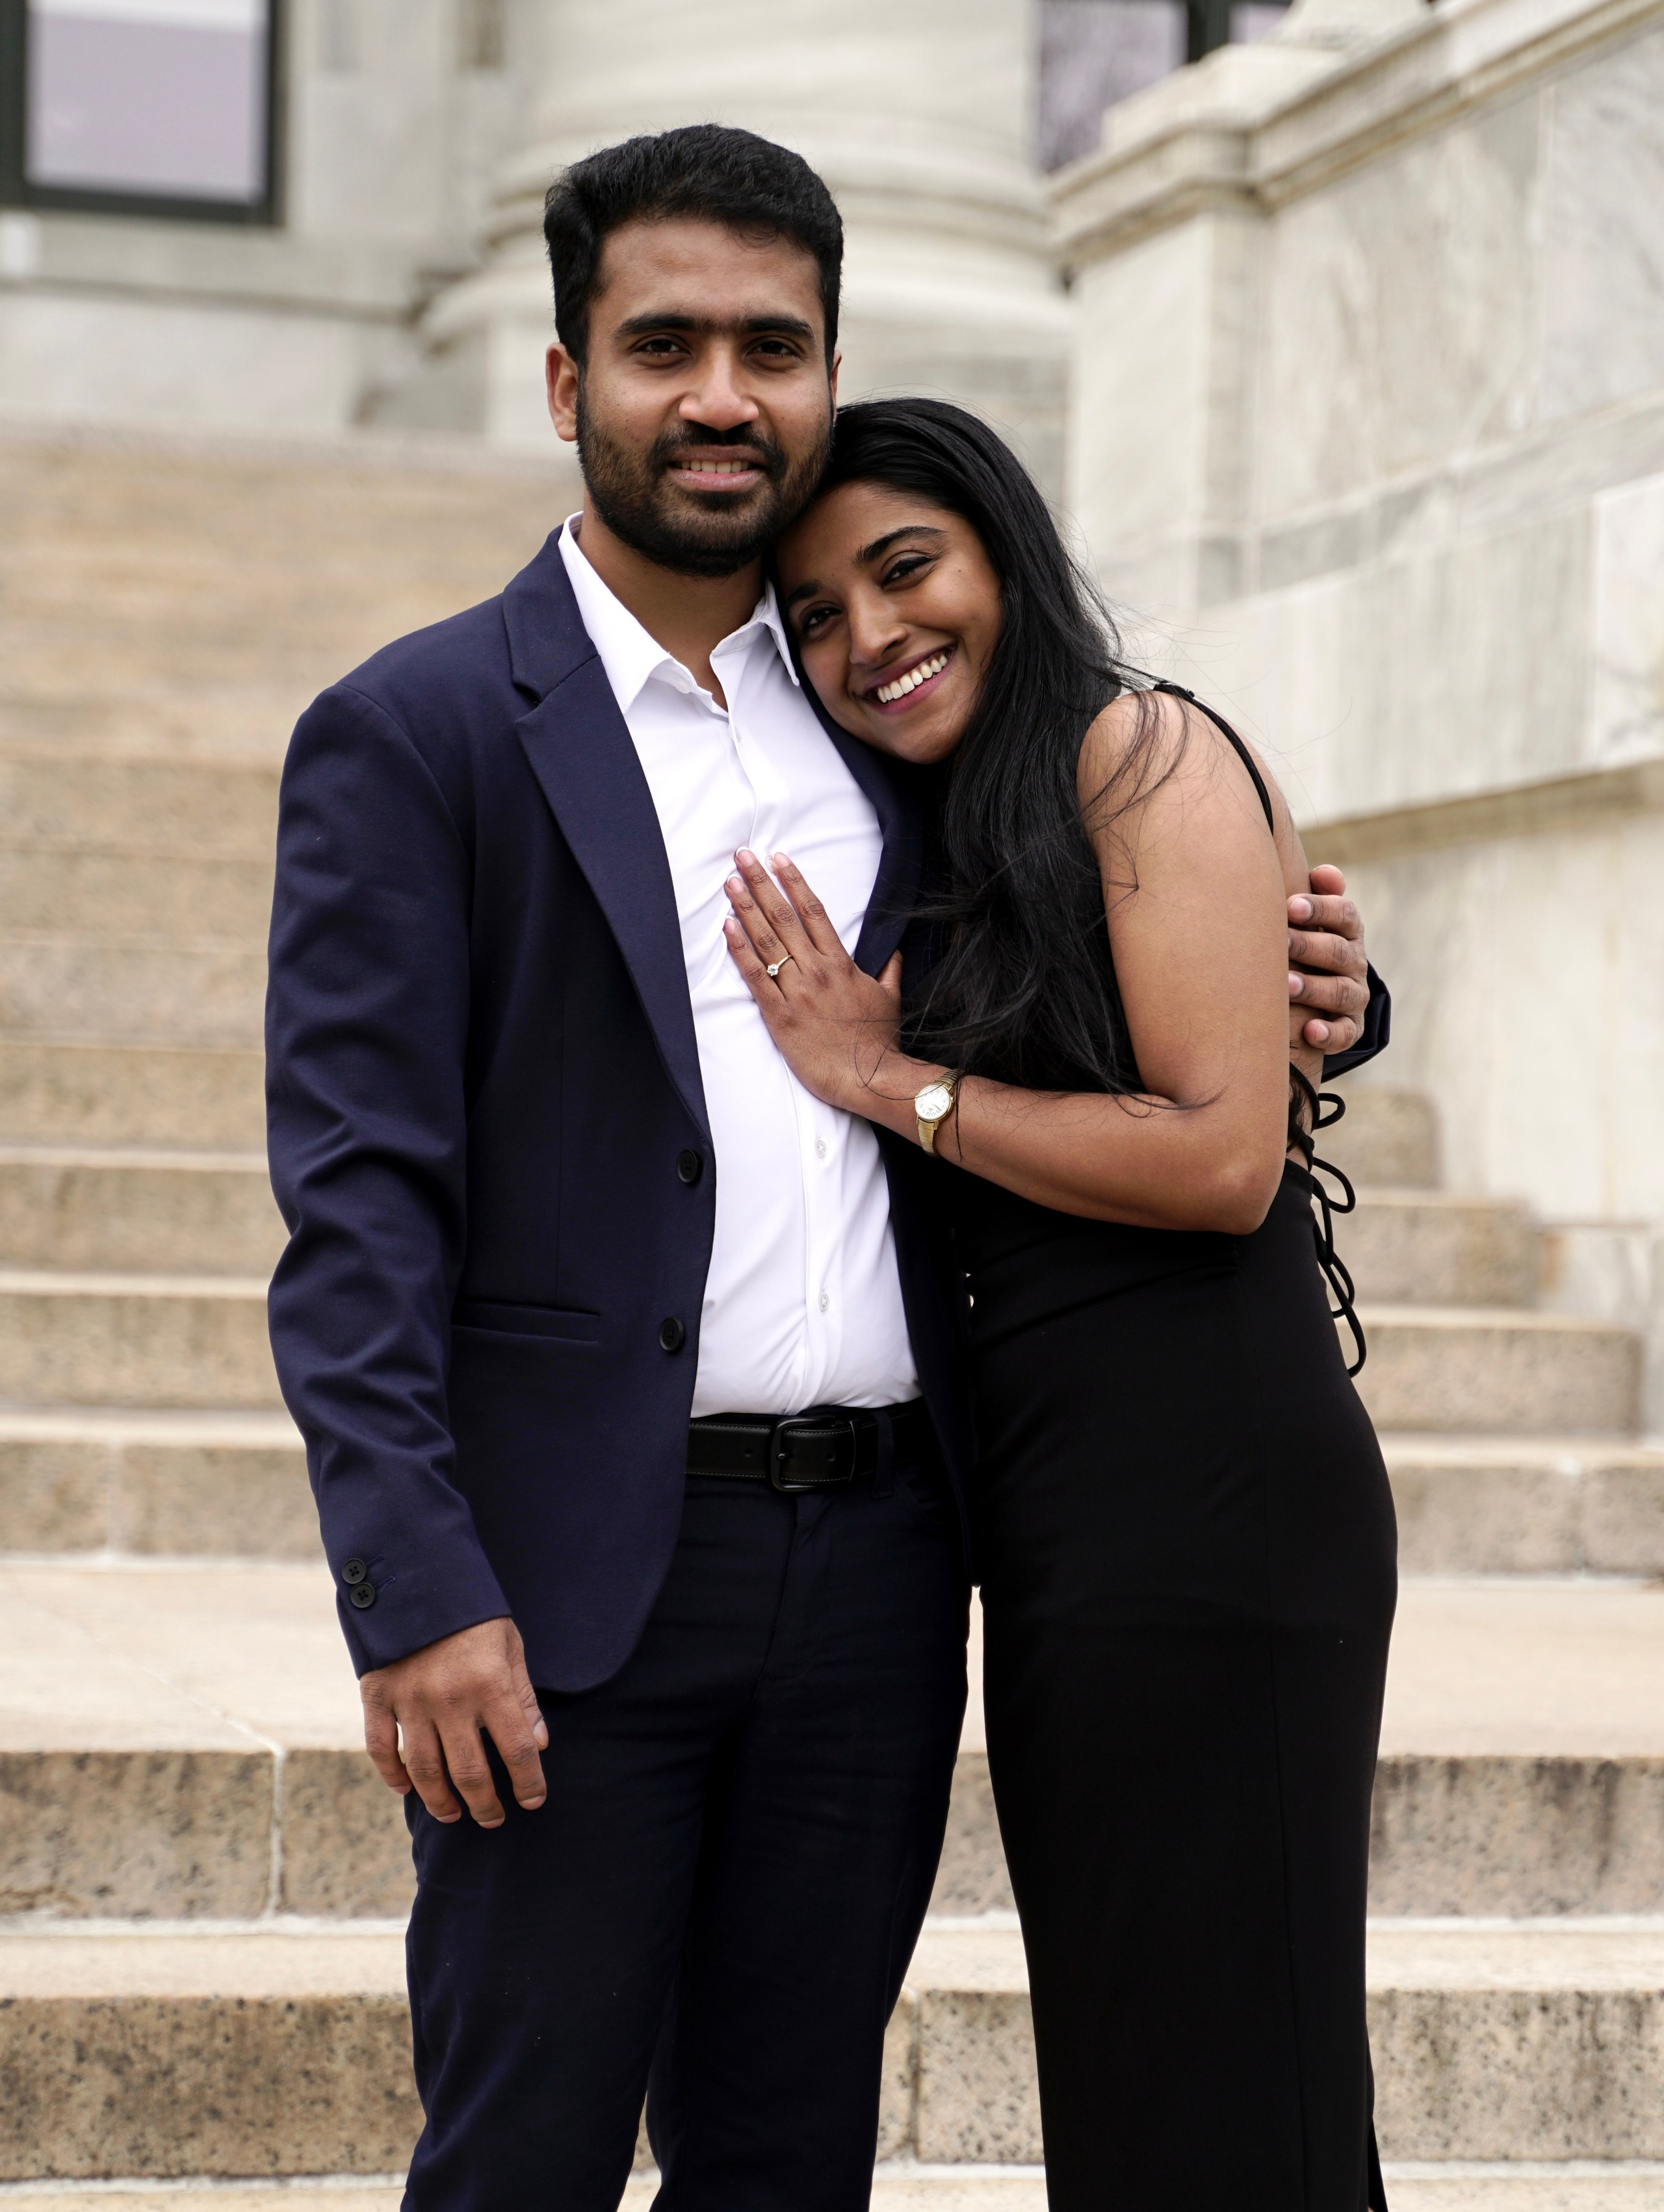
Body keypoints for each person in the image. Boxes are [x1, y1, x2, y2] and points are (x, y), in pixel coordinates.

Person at [265, 125, 1385, 2212]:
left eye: (771, 347)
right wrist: (416, 1594)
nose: (719, 394)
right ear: (564, 379)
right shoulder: (416, 733)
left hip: (887, 1568)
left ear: (826, 369)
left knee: (789, 2163)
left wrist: (1323, 971)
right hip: (580, 1584)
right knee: (519, 2156)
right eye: (663, 342)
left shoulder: (890, 714)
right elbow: (357, 1211)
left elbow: (1107, 940)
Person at [724, 395, 1398, 2211]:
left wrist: (897, 1084)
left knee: (1219, 2071)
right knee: (1153, 2061)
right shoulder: (948, 819)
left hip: (1213, 1502)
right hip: (1064, 1521)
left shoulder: (1136, 749)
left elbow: (1217, 1161)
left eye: (906, 568)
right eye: (813, 612)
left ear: (1005, 555)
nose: (870, 636)